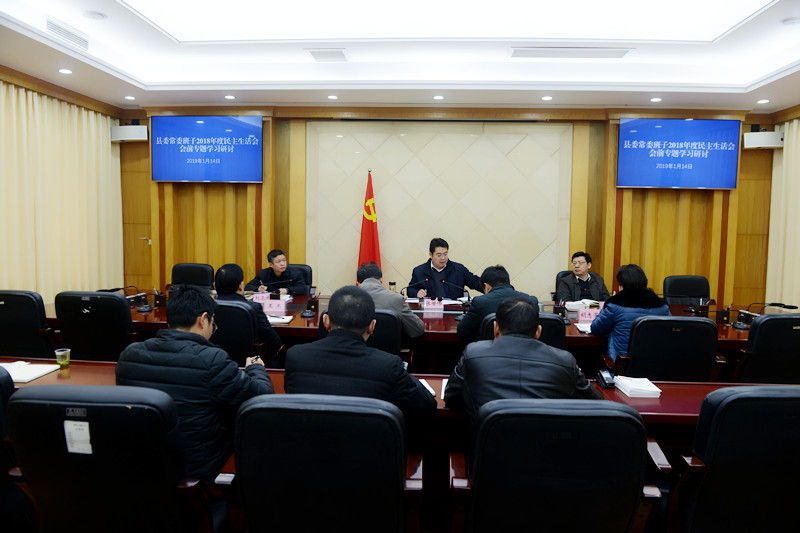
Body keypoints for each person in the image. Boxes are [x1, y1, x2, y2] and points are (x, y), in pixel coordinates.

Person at [116, 285, 274, 482]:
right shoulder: (212, 359)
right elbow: (262, 397)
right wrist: (256, 368)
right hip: (196, 468)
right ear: (203, 319)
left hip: (143, 465)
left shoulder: (129, 355)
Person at [284, 285, 436, 416]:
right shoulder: (388, 365)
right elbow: (427, 405)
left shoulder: (296, 357)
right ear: (372, 327)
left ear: (326, 321)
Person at [445, 297, 601, 421]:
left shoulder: (473, 353)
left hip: (489, 450)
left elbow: (451, 398)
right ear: (539, 332)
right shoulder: (565, 361)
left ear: (495, 328)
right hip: (547, 450)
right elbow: (596, 403)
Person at [590, 264, 670, 361]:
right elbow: (669, 332)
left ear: (621, 285)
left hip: (622, 365)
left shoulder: (615, 305)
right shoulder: (662, 306)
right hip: (655, 364)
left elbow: (596, 329)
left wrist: (607, 305)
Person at [457, 265, 539, 341]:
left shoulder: (480, 302)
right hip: (523, 350)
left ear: (486, 287)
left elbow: (463, 332)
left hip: (488, 350)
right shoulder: (531, 301)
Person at [214, 263, 282, 355]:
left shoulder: (207, 307)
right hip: (249, 361)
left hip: (215, 359)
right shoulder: (253, 308)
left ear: (215, 286)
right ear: (240, 286)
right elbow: (274, 343)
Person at [357, 262, 425, 339]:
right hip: (388, 346)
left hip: (356, 346)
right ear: (381, 279)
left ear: (358, 283)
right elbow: (418, 329)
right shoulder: (396, 299)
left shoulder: (347, 299)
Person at [409, 237, 483, 299]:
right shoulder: (419, 271)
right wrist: (417, 293)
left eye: (445, 254)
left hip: (454, 309)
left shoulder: (459, 269)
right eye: (439, 255)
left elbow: (475, 282)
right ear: (431, 255)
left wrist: (488, 288)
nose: (443, 258)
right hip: (430, 309)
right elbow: (410, 289)